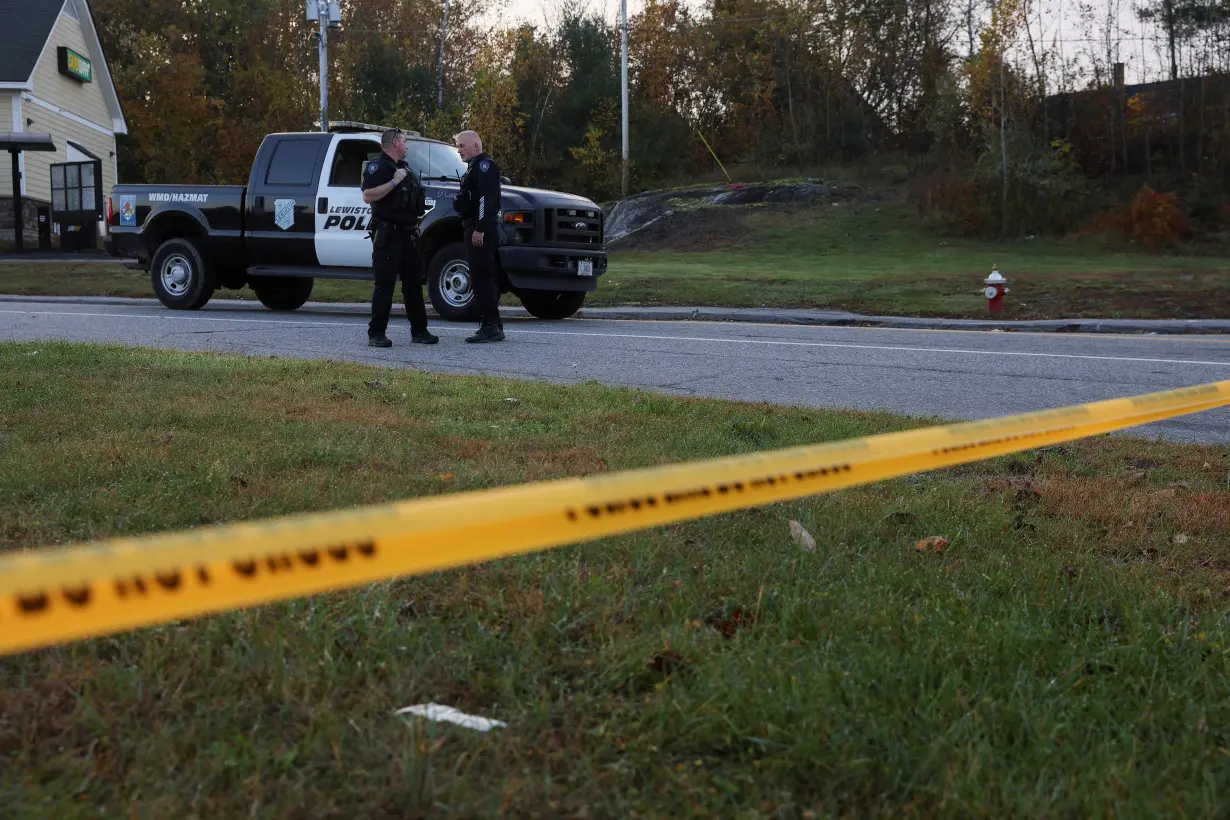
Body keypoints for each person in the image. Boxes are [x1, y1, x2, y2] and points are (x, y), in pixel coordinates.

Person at [361, 128, 437, 348]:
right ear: (394, 142)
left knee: (413, 285)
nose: (407, 146)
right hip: (388, 235)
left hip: (408, 235)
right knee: (385, 285)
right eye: (404, 141)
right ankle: (376, 334)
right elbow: (368, 196)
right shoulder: (380, 167)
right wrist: (393, 182)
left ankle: (420, 331)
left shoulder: (404, 167)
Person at [453, 130, 504, 343]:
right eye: (458, 146)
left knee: (482, 277)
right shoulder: (474, 168)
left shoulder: (483, 167)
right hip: (474, 226)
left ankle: (490, 325)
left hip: (479, 228)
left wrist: (480, 228)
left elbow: (485, 199)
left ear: (475, 146)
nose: (459, 150)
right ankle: (493, 324)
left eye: (462, 146)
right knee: (481, 276)